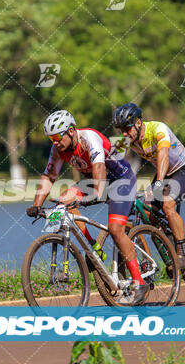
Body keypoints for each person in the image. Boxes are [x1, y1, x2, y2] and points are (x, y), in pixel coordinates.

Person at [26, 110, 148, 304]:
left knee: (116, 230)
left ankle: (139, 281)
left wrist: (97, 195)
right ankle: (94, 249)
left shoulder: (88, 137)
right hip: (94, 181)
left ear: (72, 131)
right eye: (51, 139)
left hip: (119, 180)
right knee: (63, 201)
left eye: (58, 136)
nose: (55, 142)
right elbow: (49, 176)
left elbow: (99, 167)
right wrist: (36, 205)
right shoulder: (57, 149)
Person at [112, 103, 185, 271]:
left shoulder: (158, 129)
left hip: (184, 169)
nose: (123, 133)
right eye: (120, 129)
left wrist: (158, 183)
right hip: (164, 174)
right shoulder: (129, 141)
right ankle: (169, 240)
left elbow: (163, 155)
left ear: (138, 123)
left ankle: (183, 253)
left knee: (167, 203)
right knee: (147, 211)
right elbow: (118, 164)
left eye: (126, 128)